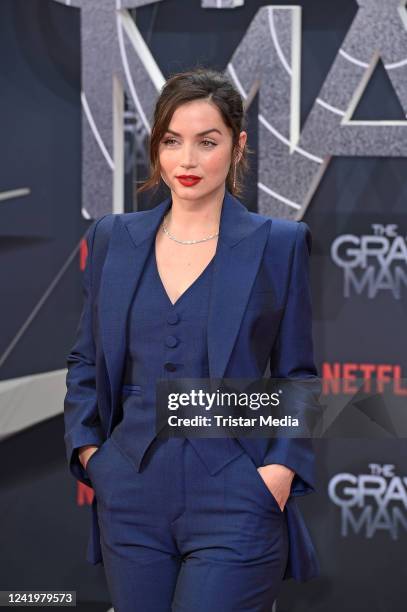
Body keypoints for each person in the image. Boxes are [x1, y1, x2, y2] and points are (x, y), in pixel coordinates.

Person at [64, 67, 320, 612]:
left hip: (236, 490)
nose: (187, 160)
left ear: (237, 145)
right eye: (172, 141)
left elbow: (297, 375)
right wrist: (92, 457)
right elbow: (86, 360)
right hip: (129, 491)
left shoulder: (279, 244)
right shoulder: (114, 238)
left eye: (207, 142)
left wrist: (276, 472)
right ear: (156, 145)